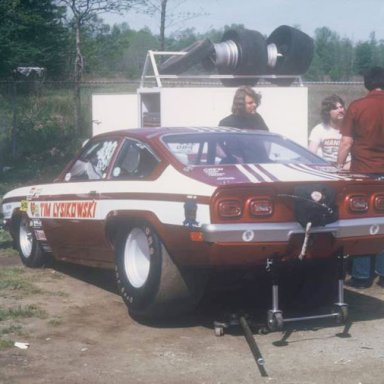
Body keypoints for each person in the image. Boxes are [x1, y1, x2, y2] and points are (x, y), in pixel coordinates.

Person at [337, 66, 384, 288]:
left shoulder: (357, 107)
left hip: (363, 171)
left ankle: (362, 276)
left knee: (362, 221)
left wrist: (338, 167)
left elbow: (346, 142)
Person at [308, 94, 349, 168]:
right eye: (335, 108)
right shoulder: (319, 129)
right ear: (327, 112)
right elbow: (311, 155)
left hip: (347, 169)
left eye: (341, 107)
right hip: (327, 169)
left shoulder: (350, 128)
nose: (340, 110)